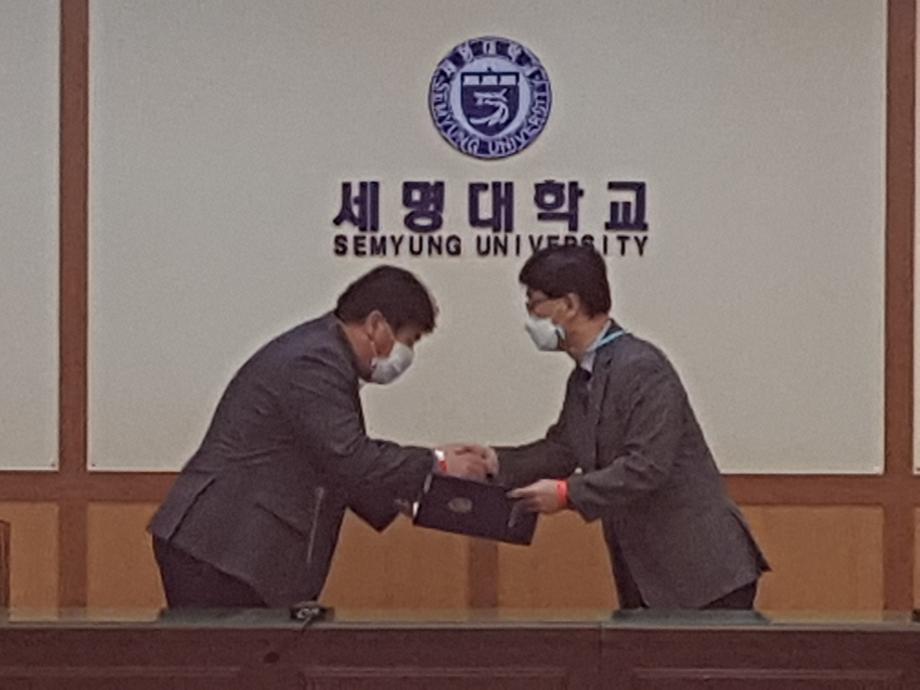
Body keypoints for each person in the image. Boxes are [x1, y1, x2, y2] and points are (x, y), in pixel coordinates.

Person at [149, 265, 495, 608]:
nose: (407, 355)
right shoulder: (315, 361)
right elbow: (350, 457)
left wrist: (411, 496)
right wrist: (437, 462)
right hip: (223, 547)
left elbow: (333, 463)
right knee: (235, 646)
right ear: (375, 324)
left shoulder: (323, 354)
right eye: (409, 340)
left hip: (229, 549)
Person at [496, 245, 769, 609]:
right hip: (648, 572)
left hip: (701, 573)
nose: (530, 317)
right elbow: (562, 450)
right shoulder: (584, 376)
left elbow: (647, 466)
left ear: (570, 305)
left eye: (535, 304)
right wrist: (493, 462)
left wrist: (565, 494)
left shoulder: (641, 367)